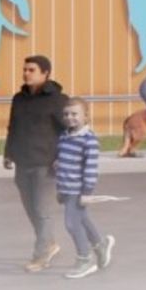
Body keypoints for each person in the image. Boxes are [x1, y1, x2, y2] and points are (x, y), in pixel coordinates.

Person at [3, 54, 68, 272]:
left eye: (31, 70)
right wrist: (8, 152)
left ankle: (41, 256)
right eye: (25, 69)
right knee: (31, 209)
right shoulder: (18, 99)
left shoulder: (58, 100)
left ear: (45, 73)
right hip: (23, 162)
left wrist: (62, 157)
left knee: (42, 210)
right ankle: (49, 243)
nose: (26, 73)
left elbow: (68, 130)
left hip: (46, 164)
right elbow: (13, 127)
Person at [54, 97, 114, 280]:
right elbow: (62, 164)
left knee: (72, 224)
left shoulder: (89, 140)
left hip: (79, 190)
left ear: (86, 116)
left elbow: (90, 169)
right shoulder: (64, 136)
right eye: (66, 114)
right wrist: (60, 189)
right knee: (82, 219)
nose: (69, 117)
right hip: (66, 188)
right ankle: (100, 245)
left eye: (75, 114)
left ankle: (85, 259)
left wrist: (86, 193)